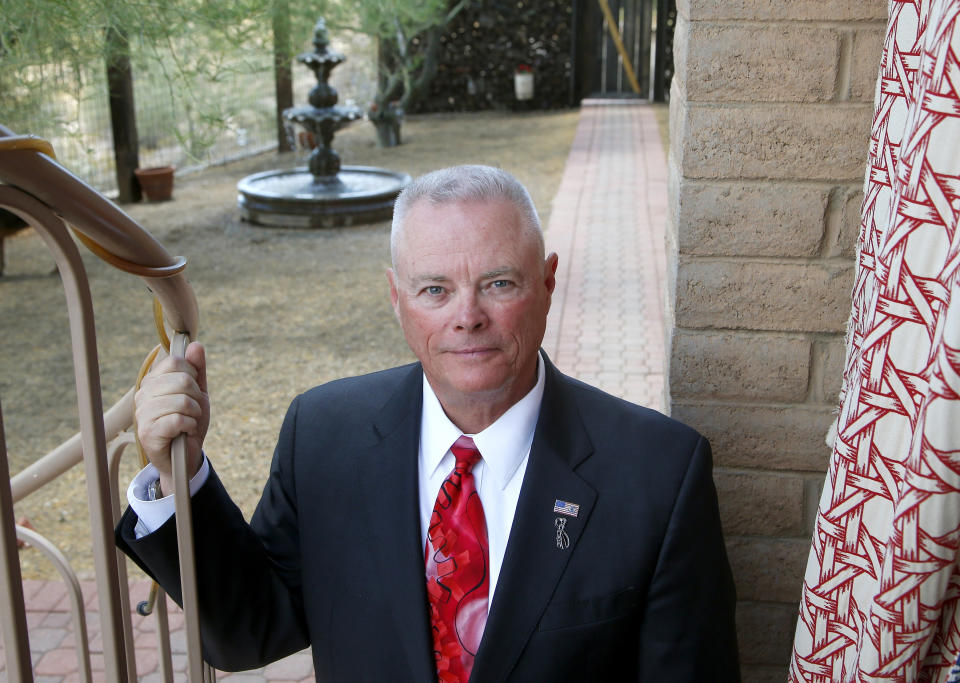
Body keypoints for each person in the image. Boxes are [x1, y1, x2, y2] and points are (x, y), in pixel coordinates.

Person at [117, 165, 740, 681]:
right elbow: (249, 631)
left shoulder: (660, 474)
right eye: (434, 290)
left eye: (498, 283)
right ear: (396, 300)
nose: (467, 317)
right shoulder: (324, 436)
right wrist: (182, 473)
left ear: (547, 284)